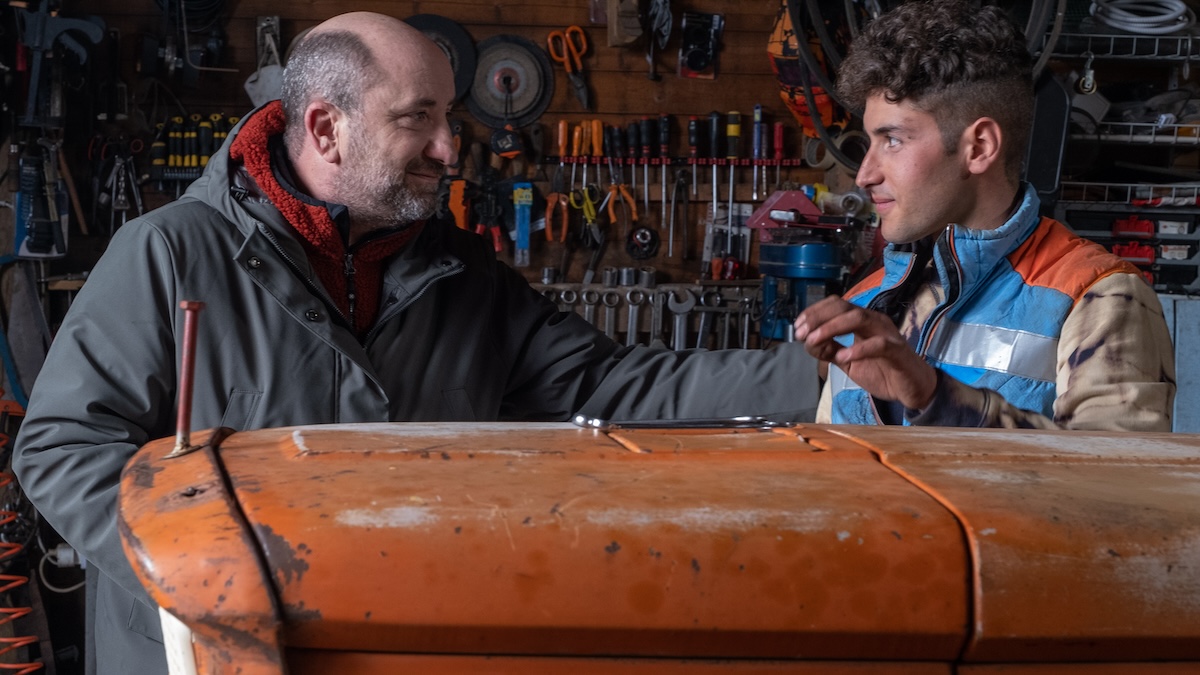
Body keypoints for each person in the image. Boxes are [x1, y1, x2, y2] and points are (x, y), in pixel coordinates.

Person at [12, 12, 818, 674]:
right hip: (201, 655)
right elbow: (58, 446)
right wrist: (206, 576)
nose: (447, 147)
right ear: (326, 129)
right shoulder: (168, 254)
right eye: (417, 118)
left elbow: (618, 385)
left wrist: (818, 378)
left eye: (448, 117)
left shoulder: (461, 271)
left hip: (396, 643)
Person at [794, 0, 1175, 430]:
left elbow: (1117, 482)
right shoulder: (865, 303)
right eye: (871, 142)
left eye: (894, 140)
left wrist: (936, 399)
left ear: (978, 148)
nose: (864, 174)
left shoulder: (1096, 296)